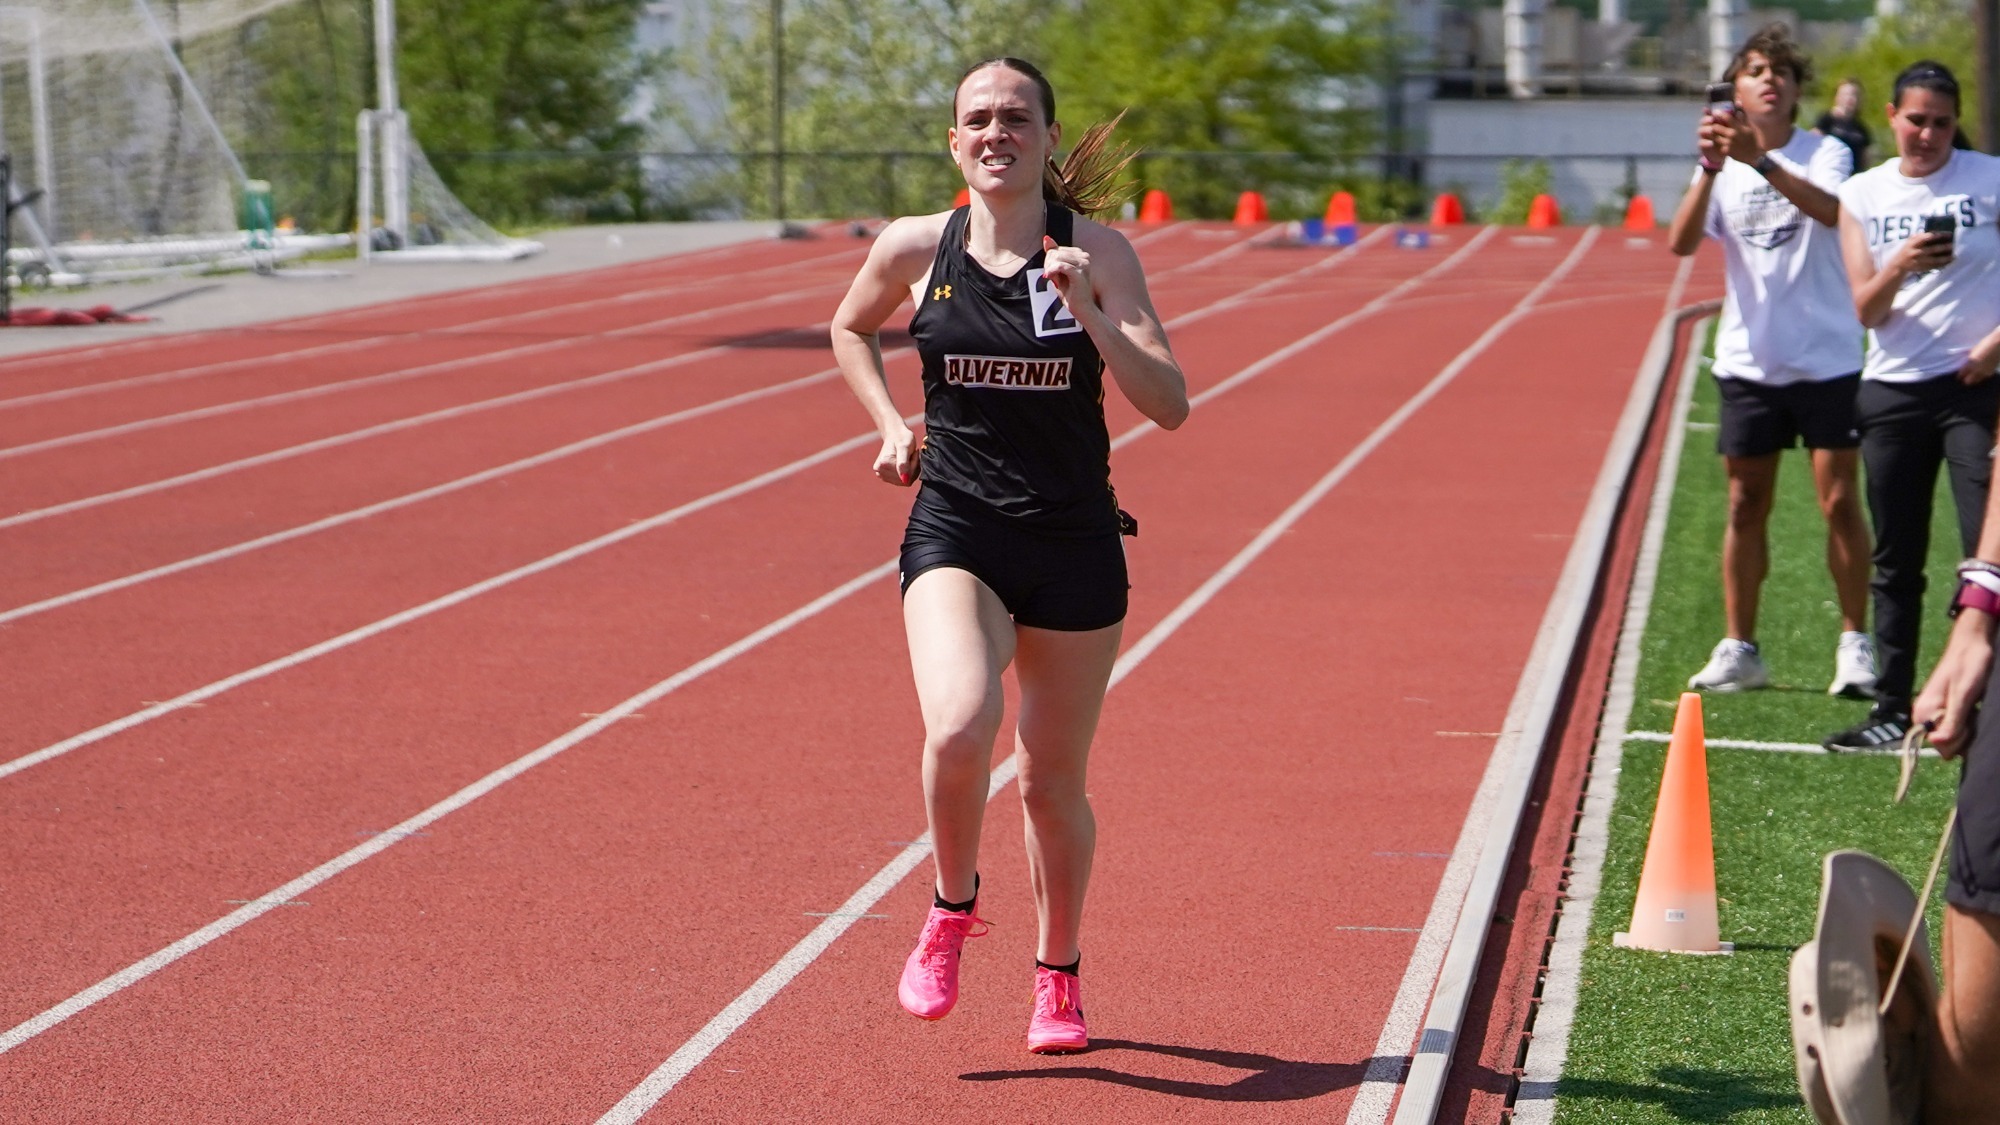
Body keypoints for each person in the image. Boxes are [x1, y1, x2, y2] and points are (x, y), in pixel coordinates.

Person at [828, 57, 1188, 1053]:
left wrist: (1087, 312)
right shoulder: (914, 248)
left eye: (1014, 118)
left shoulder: (1099, 253)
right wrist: (890, 423)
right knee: (958, 724)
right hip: (957, 529)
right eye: (976, 119)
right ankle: (949, 908)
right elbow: (849, 328)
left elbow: (1169, 402)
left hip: (1073, 542)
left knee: (1046, 782)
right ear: (954, 142)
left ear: (1041, 136)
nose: (995, 131)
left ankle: (1057, 978)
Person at [1667, 24, 1874, 701]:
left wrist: (1761, 162)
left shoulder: (1827, 153)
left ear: (1795, 89)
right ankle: (1741, 647)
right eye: (1755, 69)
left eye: (1781, 70)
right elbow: (1680, 241)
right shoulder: (1721, 164)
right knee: (1743, 501)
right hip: (1750, 360)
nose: (1768, 78)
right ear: (1737, 89)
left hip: (1827, 355)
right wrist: (1708, 168)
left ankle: (1853, 644)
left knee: (1839, 500)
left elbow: (1833, 212)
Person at [1830, 60, 2000, 750]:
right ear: (1893, 117)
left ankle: (1978, 703)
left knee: (1984, 552)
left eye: (1942, 122)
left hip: (1975, 387)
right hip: (1894, 389)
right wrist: (1900, 262)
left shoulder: (1990, 178)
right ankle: (1892, 707)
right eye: (1916, 119)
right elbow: (1865, 310)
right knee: (1896, 558)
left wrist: (1994, 346)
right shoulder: (1861, 193)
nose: (1927, 134)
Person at [1815, 77, 1873, 170]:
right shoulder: (1826, 120)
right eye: (1846, 94)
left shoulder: (1861, 129)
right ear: (1837, 96)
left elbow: (1865, 159)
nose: (1850, 98)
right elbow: (1813, 145)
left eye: (1854, 95)